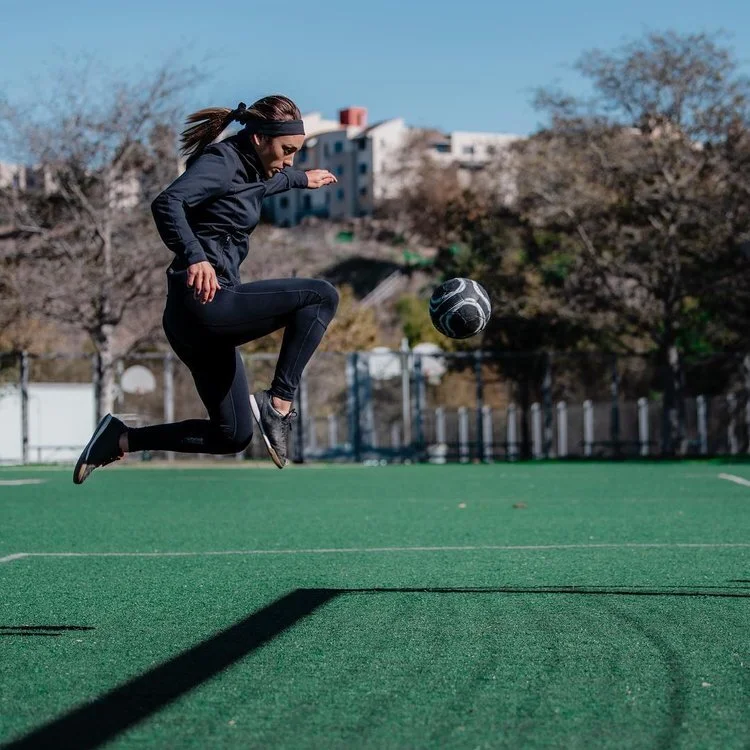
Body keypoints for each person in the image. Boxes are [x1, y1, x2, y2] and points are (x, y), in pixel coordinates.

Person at [73, 95, 339, 484]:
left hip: (191, 322)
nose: (289, 160)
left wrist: (302, 179)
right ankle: (278, 404)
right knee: (321, 296)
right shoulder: (222, 162)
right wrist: (195, 256)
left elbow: (257, 188)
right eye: (287, 151)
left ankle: (120, 438)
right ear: (260, 138)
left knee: (232, 434)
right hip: (206, 303)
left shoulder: (249, 170)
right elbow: (168, 202)